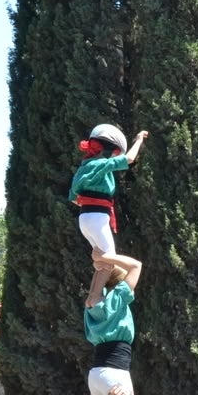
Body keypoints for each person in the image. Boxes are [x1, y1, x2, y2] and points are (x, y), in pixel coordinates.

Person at [75, 253, 143, 395]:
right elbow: (137, 264)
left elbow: (95, 288)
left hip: (96, 374)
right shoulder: (118, 297)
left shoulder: (92, 303)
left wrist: (100, 266)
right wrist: (107, 256)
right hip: (115, 372)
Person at [70, 123, 148, 307]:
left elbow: (74, 198)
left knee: (105, 260)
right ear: (109, 149)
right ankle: (95, 297)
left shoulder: (83, 168)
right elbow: (129, 158)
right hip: (98, 217)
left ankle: (92, 297)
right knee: (107, 258)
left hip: (85, 218)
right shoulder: (102, 164)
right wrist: (138, 140)